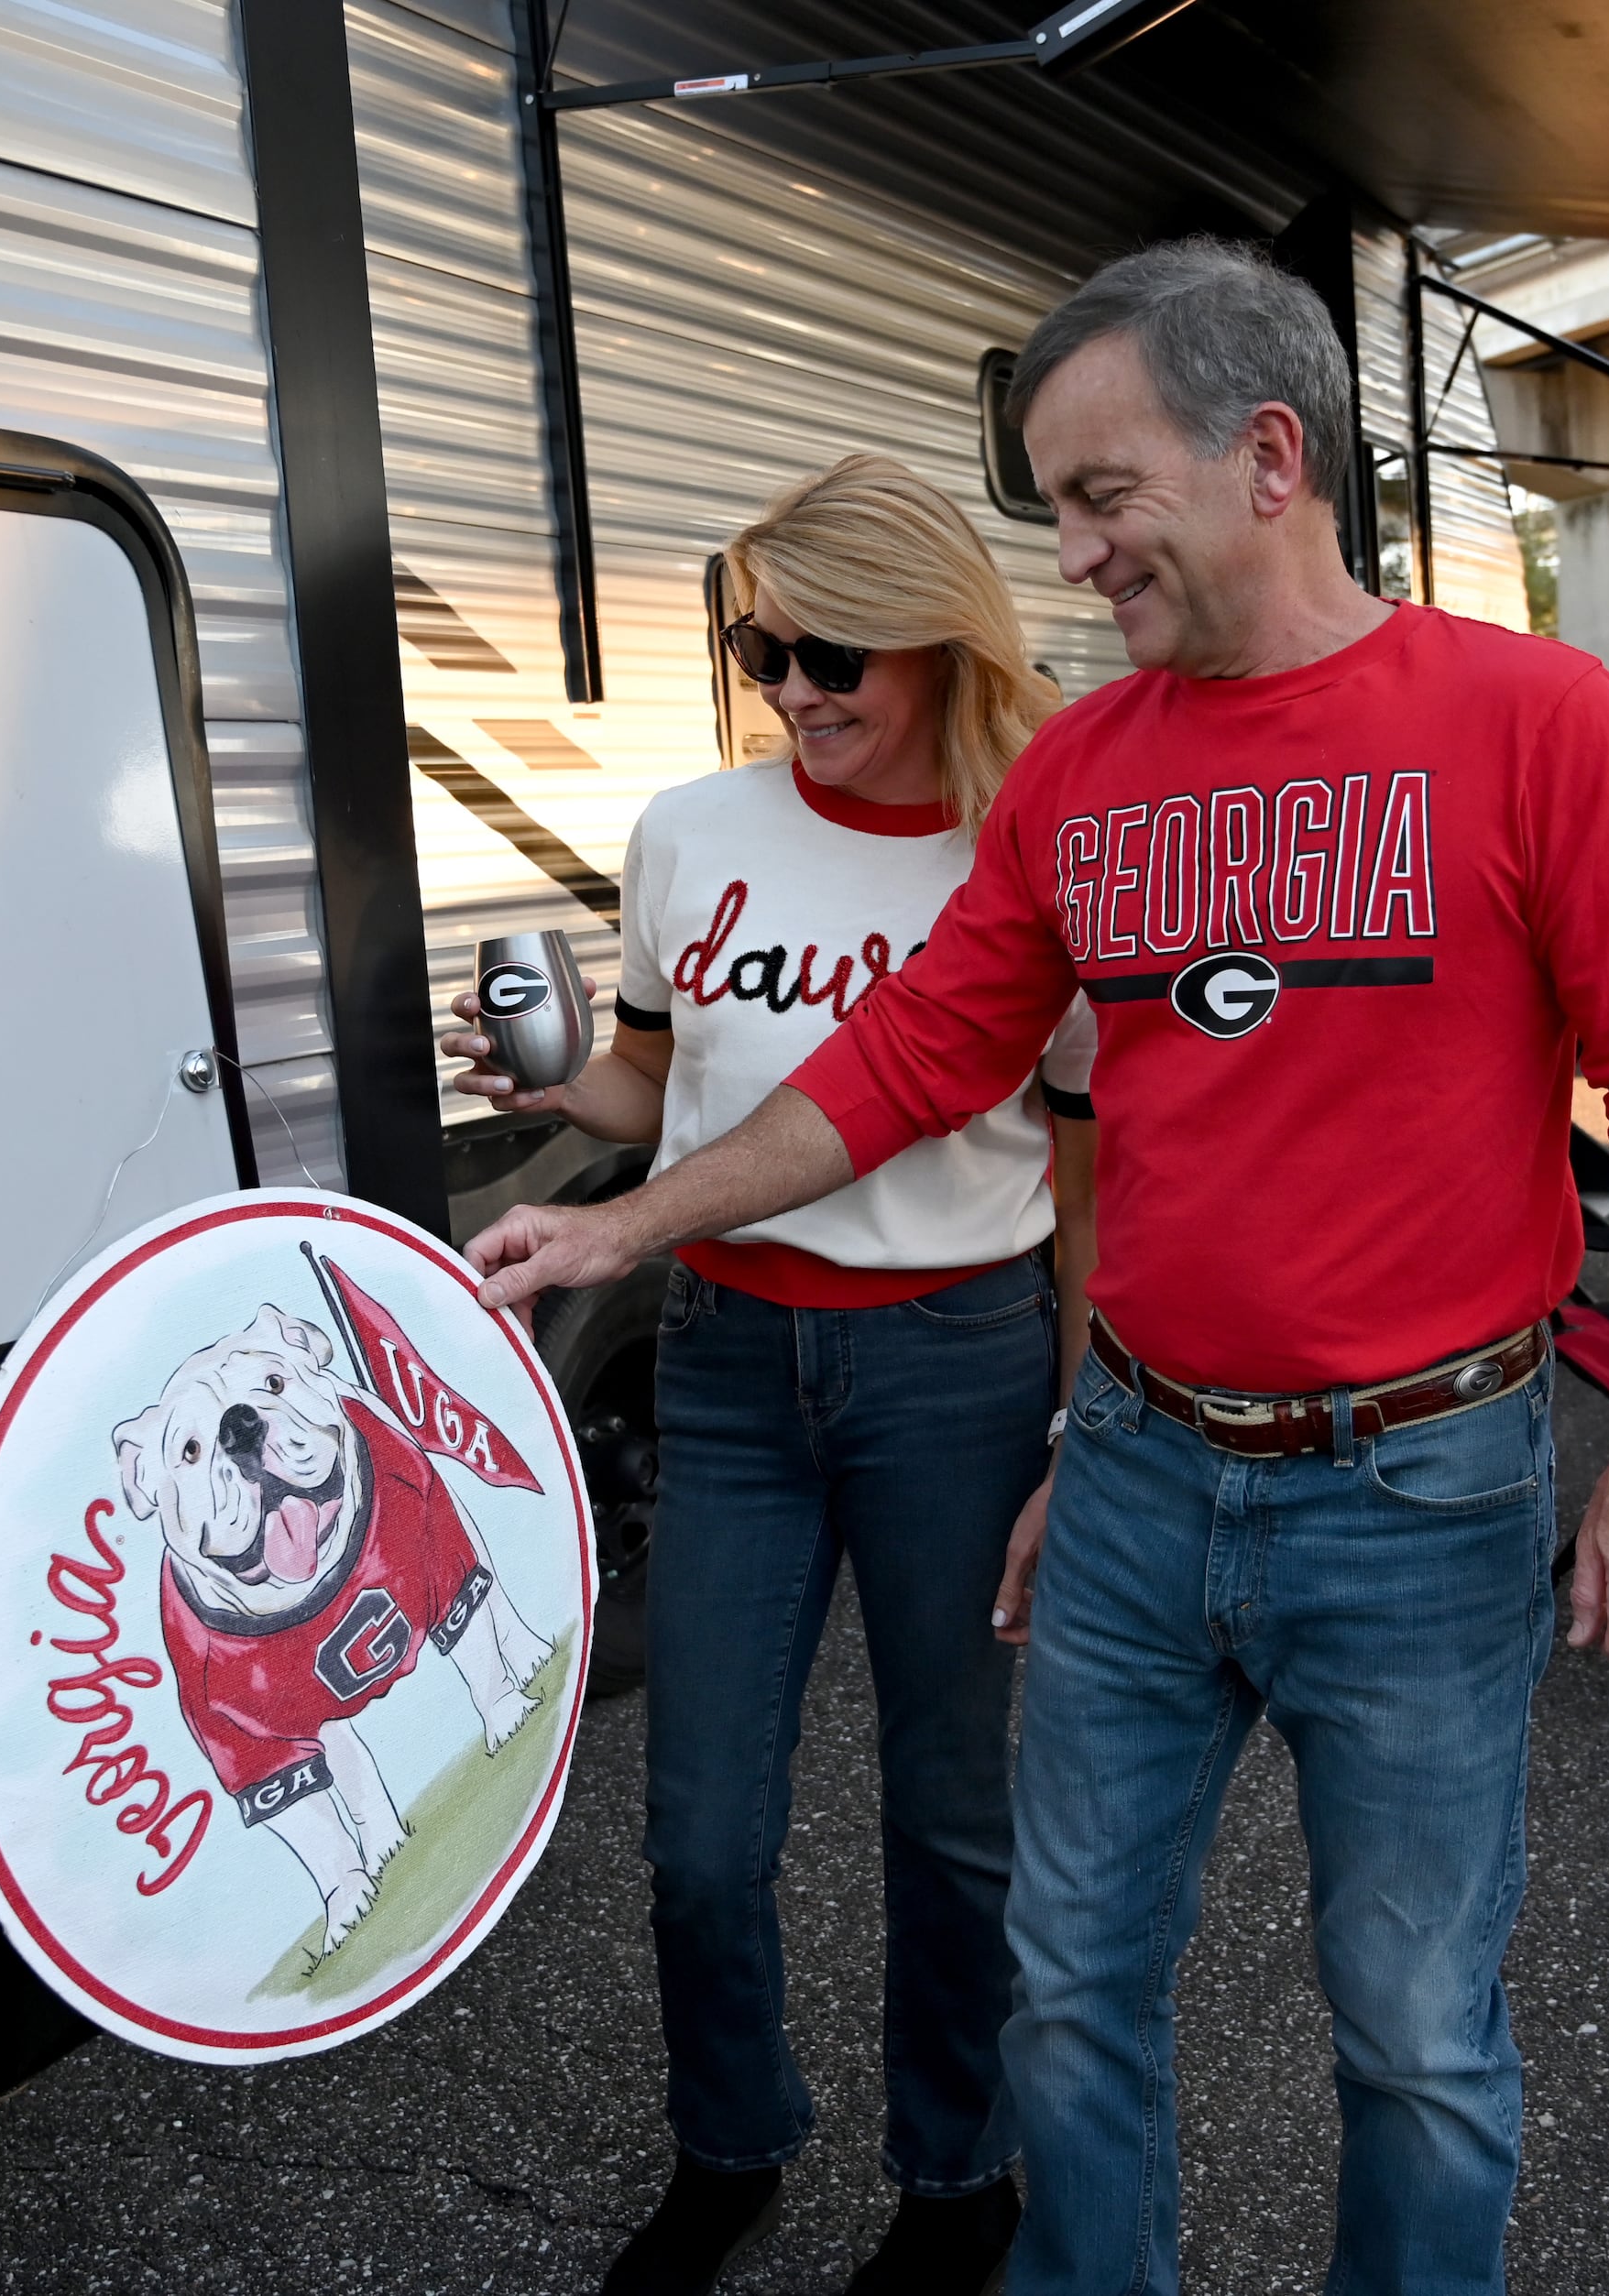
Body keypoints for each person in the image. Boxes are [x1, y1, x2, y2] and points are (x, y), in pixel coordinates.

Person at [465, 242, 1609, 2296]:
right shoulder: (1083, 774)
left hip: (1424, 1487)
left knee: (1415, 2039)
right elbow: (907, 1061)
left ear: (1269, 455)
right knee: (1066, 1990)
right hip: (1146, 1473)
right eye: (1054, 508)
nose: (1071, 558)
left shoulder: (1531, 719)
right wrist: (627, 1219)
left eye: (1098, 495)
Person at [441, 454, 1096, 2296]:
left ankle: (956, 2174)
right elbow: (666, 1085)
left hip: (954, 1369)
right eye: (764, 647)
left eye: (838, 652)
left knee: (953, 1822)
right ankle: (731, 2142)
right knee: (699, 1835)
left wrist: (1070, 1419)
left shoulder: (1027, 848)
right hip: (726, 1368)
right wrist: (570, 1096)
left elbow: (1089, 1166)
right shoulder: (690, 833)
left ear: (940, 645)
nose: (799, 689)